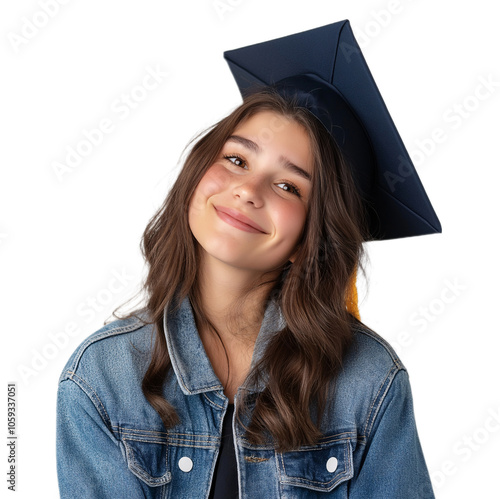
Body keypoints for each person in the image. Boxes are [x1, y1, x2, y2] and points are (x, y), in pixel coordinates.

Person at [56, 20, 439, 498]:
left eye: (288, 186)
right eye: (237, 159)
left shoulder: (369, 382)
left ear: (309, 239)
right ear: (198, 174)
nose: (247, 190)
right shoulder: (100, 378)